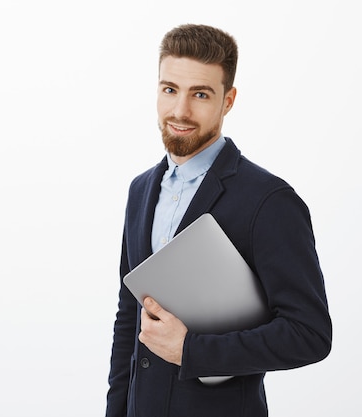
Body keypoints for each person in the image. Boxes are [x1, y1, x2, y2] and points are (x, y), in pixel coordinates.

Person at [106, 24, 332, 417]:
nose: (180, 110)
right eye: (169, 89)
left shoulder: (269, 200)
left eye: (200, 94)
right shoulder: (140, 190)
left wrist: (192, 351)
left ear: (228, 101)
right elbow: (130, 319)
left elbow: (309, 334)